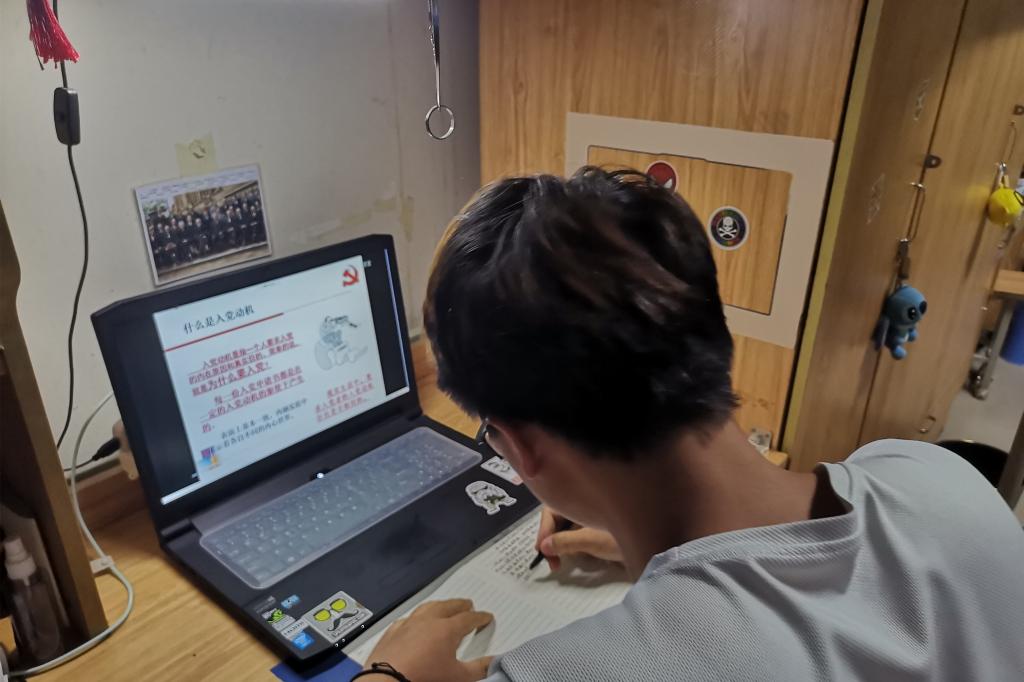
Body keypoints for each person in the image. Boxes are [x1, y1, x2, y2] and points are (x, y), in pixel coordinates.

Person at [359, 167, 1024, 682]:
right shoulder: (934, 473)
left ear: (523, 446)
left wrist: (389, 675)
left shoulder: (574, 671)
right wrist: (648, 546)